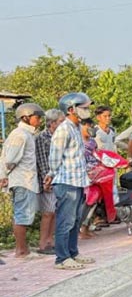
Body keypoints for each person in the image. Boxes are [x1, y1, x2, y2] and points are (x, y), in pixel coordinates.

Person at [45, 93, 96, 270]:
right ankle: (62, 258)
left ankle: (73, 253)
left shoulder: (77, 127)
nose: (87, 111)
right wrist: (51, 174)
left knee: (75, 221)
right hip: (66, 182)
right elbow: (54, 157)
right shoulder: (63, 129)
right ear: (71, 109)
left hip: (78, 181)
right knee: (65, 221)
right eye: (83, 107)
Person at [0, 102, 44, 258]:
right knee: (22, 215)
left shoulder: (27, 134)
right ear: (26, 117)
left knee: (24, 215)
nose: (39, 120)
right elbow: (10, 159)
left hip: (27, 180)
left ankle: (23, 249)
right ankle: (21, 251)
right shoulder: (20, 135)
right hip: (22, 180)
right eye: (37, 117)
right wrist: (3, 176)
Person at [34, 109, 64, 255]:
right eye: (60, 122)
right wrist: (48, 179)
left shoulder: (60, 136)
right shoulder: (42, 138)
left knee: (55, 211)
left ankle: (50, 240)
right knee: (48, 212)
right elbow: (42, 161)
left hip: (59, 178)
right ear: (52, 123)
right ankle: (42, 243)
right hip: (47, 179)